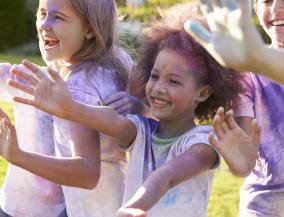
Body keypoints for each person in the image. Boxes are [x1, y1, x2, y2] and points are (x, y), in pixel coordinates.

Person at [4, 14, 259, 216]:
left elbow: (166, 175)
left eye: (174, 81)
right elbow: (110, 120)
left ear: (202, 93)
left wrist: (135, 206)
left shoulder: (203, 143)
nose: (158, 87)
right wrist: (69, 109)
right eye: (155, 76)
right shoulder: (142, 132)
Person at [186, 0, 284, 216]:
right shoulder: (247, 78)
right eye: (266, 1)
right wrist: (239, 158)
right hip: (263, 208)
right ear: (255, 8)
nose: (276, 8)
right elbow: (244, 163)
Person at [0, 0, 135, 216]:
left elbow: (87, 174)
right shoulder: (116, 60)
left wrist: (18, 156)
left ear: (90, 28)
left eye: (58, 17)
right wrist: (139, 105)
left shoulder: (78, 88)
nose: (44, 24)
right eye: (42, 13)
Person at [0, 64, 66, 216]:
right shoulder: (29, 77)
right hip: (14, 204)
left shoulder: (102, 80)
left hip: (67, 209)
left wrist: (132, 103)